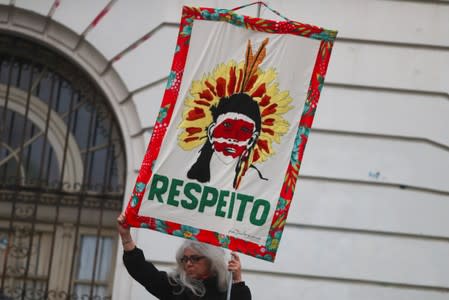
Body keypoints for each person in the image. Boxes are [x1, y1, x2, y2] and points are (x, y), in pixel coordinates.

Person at [117, 213, 252, 299]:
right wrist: (126, 238)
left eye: (195, 258)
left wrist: (237, 279)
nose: (188, 263)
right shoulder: (176, 287)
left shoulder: (226, 291)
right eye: (185, 259)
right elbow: (144, 272)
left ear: (212, 260)